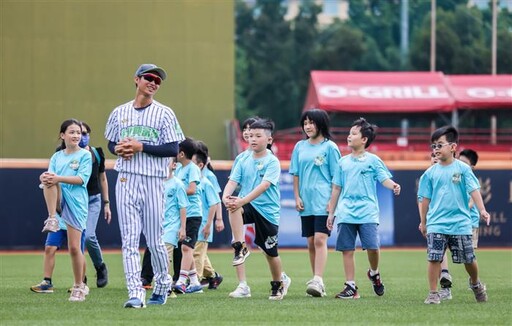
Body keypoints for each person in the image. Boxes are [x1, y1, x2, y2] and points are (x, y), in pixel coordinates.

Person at [105, 63, 184, 308]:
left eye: (158, 81)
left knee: (154, 241)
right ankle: (135, 293)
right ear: (136, 79)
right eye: (149, 77)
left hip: (153, 181)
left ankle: (162, 283)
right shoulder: (119, 112)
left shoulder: (164, 113)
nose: (153, 82)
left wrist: (141, 146)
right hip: (126, 178)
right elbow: (110, 143)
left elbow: (173, 148)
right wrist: (117, 149)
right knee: (128, 240)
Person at [327, 117, 401, 299]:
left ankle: (374, 273)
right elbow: (336, 188)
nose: (349, 136)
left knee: (373, 248)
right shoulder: (342, 162)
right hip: (345, 212)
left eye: (353, 133)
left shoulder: (373, 160)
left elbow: (383, 178)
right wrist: (331, 213)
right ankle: (351, 287)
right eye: (349, 133)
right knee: (347, 249)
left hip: (367, 211)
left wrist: (393, 185)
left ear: (364, 139)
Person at [418, 126, 490, 304]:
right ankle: (433, 293)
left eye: (440, 145)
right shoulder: (429, 173)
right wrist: (423, 221)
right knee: (434, 257)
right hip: (436, 223)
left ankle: (475, 283)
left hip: (460, 223)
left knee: (468, 259)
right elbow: (424, 199)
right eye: (433, 146)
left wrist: (482, 210)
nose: (436, 149)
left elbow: (474, 190)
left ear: (453, 147)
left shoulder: (464, 169)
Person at [223, 118, 291, 300]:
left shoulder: (272, 161)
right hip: (248, 205)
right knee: (233, 205)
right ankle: (240, 246)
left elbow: (264, 186)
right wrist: (225, 196)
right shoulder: (243, 158)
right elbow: (233, 181)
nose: (252, 139)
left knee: (270, 252)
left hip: (267, 211)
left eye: (258, 136)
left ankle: (278, 283)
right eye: (250, 135)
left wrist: (241, 200)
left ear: (269, 140)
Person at [289, 109, 341, 297]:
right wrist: (297, 196)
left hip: (324, 201)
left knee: (320, 239)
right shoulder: (299, 146)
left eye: (312, 122)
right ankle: (316, 280)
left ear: (321, 124)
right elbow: (295, 173)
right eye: (305, 123)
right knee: (311, 242)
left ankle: (318, 279)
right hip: (306, 202)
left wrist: (332, 203)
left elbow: (337, 177)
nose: (308, 126)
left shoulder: (330, 147)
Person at [39, 118, 92, 302]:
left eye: (79, 132)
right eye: (72, 132)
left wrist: (58, 178)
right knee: (46, 180)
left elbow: (81, 179)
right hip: (60, 199)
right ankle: (52, 217)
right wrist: (46, 176)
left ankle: (79, 285)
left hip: (77, 203)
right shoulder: (57, 156)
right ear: (63, 135)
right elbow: (51, 177)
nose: (76, 135)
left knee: (74, 248)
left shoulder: (85, 155)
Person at [80, 122, 111, 288]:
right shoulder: (63, 154)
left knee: (89, 235)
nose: (81, 136)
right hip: (74, 201)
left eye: (85, 133)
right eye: (78, 133)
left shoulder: (96, 153)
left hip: (93, 199)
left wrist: (106, 203)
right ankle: (80, 278)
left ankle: (100, 267)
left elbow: (103, 178)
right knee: (76, 239)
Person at [173, 137, 204, 294]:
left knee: (186, 247)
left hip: (193, 213)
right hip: (182, 212)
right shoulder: (178, 168)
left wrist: (174, 192)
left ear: (182, 153)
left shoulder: (192, 168)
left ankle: (181, 280)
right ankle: (194, 282)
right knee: (187, 248)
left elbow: (191, 189)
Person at [192, 145, 224, 290]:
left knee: (197, 252)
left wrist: (219, 218)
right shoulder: (190, 174)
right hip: (195, 218)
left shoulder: (208, 176)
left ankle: (195, 281)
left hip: (204, 219)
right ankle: (213, 276)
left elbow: (216, 199)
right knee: (198, 251)